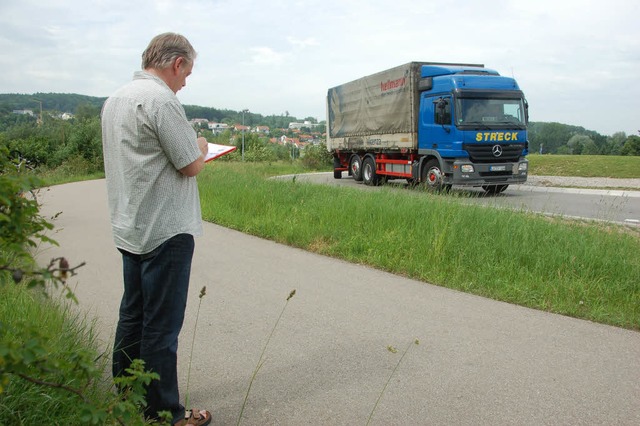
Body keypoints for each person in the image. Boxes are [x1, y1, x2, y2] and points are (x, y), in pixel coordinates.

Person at [101, 32, 211, 426]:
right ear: (176, 63)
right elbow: (189, 164)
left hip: (130, 225)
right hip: (166, 228)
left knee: (133, 314)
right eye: (188, 72)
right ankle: (167, 414)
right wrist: (200, 146)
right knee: (162, 327)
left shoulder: (116, 99)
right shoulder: (162, 101)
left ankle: (126, 395)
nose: (186, 81)